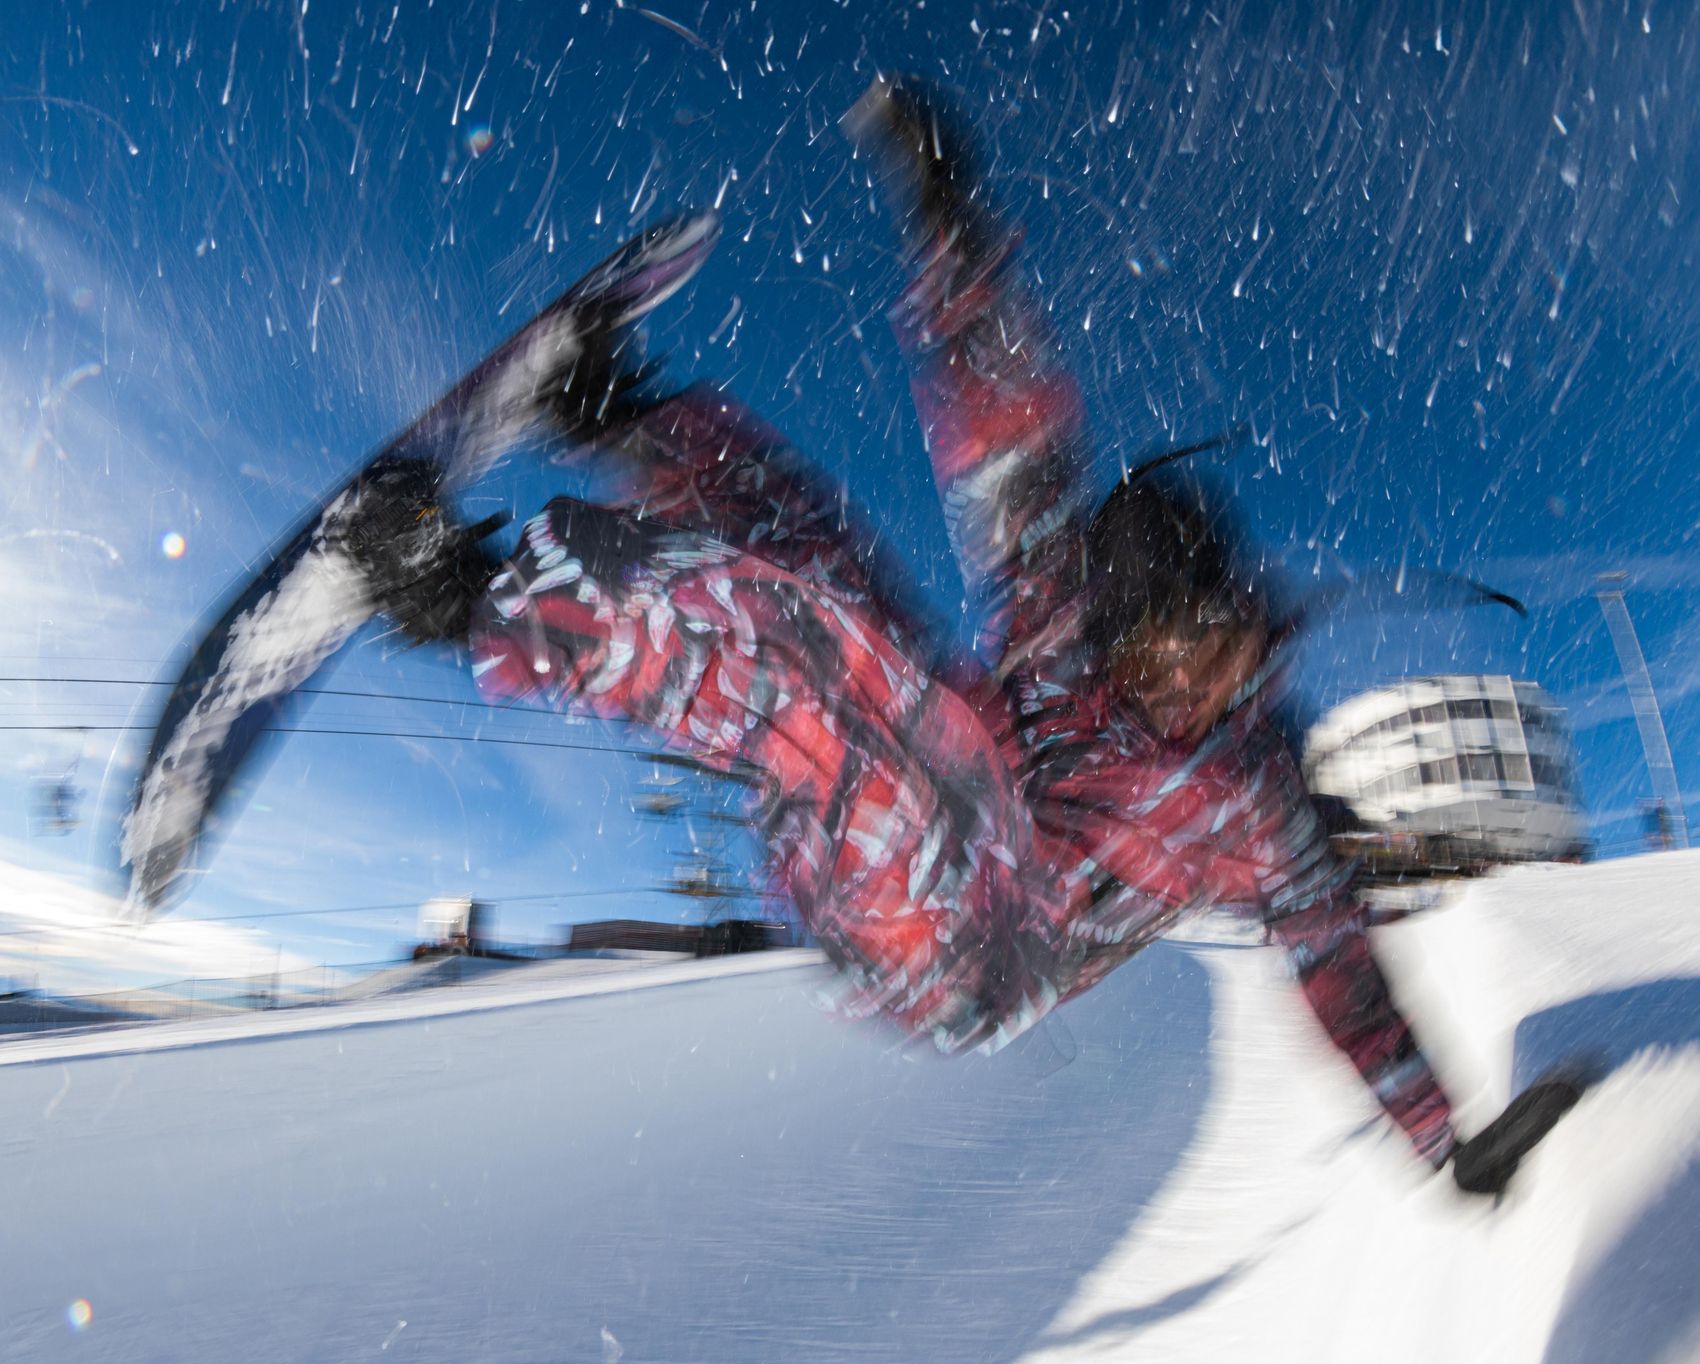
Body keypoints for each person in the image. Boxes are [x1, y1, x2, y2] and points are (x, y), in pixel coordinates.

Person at [360, 80, 1569, 1195]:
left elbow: (1341, 974)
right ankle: (622, 417)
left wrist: (1442, 1140)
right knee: (815, 552)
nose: (1176, 681)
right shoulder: (1060, 606)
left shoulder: (1255, 801)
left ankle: (470, 598)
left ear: (1236, 621)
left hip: (976, 952)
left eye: (1203, 648)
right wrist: (951, 221)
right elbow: (1009, 423)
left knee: (841, 672)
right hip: (903, 825)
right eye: (1145, 649)